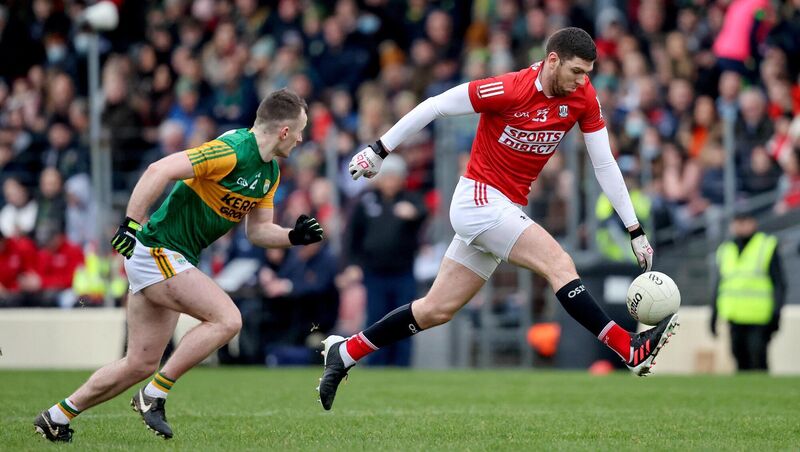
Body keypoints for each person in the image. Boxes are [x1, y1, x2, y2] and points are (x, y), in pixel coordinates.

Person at [317, 27, 678, 411]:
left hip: (503, 209)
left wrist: (634, 228)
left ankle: (346, 351)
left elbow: (604, 163)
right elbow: (435, 105)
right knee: (559, 264)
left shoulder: (583, 97)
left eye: (587, 72)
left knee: (436, 309)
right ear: (552, 60)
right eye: (575, 71)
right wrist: (379, 149)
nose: (582, 80)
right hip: (477, 200)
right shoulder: (509, 88)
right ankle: (627, 347)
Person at [34, 89, 324, 442]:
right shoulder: (232, 149)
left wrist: (293, 237)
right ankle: (154, 396)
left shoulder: (270, 173)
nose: (301, 138)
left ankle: (55, 417)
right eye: (300, 130)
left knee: (138, 364)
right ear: (283, 131)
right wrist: (131, 223)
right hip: (158, 249)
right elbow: (160, 169)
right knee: (228, 319)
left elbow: (259, 231)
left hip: (172, 257)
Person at [345, 154, 428, 366]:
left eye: (395, 177)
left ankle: (402, 365)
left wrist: (414, 214)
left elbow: (424, 212)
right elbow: (352, 236)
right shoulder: (366, 201)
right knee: (376, 319)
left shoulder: (410, 200)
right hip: (374, 273)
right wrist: (352, 264)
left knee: (405, 320)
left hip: (403, 272)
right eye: (387, 176)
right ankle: (376, 365)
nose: (391, 181)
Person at [710, 211, 784, 371]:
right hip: (734, 317)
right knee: (738, 358)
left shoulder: (766, 245)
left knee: (757, 359)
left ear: (753, 223)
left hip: (759, 318)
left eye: (744, 221)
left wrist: (776, 314)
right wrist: (714, 316)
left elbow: (779, 283)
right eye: (737, 221)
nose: (740, 226)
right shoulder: (725, 249)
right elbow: (720, 285)